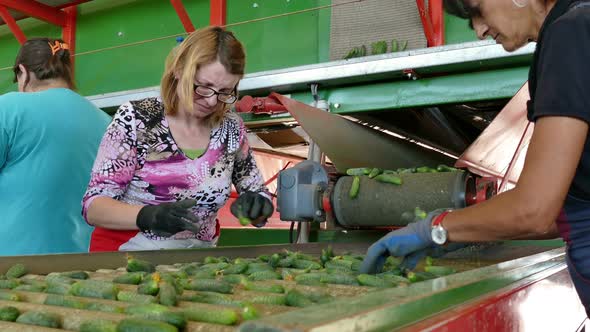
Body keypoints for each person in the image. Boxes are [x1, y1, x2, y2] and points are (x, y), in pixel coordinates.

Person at [361, 0, 590, 316]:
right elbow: (555, 213)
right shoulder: (573, 27)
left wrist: (436, 228)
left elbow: (535, 211)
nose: (480, 30)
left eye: (477, 11)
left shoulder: (571, 34)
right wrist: (461, 231)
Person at [82, 26, 274, 252]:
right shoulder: (137, 119)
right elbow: (94, 206)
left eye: (225, 91)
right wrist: (146, 216)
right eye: (204, 87)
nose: (212, 102)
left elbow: (256, 190)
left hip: (196, 260)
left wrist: (259, 205)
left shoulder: (231, 128)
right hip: (127, 258)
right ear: (179, 71)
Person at [0, 38, 111, 256]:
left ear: (23, 72)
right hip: (85, 262)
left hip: (13, 261)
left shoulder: (8, 108)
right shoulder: (106, 121)